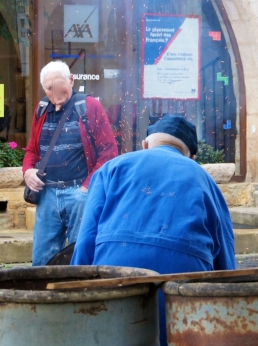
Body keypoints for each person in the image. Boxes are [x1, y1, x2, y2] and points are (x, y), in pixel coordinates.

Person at [71, 114, 236, 345]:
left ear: (146, 144)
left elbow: (86, 240)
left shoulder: (112, 168)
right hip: (183, 292)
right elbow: (226, 262)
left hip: (116, 280)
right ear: (192, 156)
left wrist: (73, 299)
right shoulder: (205, 180)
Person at [22, 61, 117, 266]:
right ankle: (44, 297)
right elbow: (32, 151)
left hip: (79, 194)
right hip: (47, 195)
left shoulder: (89, 106)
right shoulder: (41, 110)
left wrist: (86, 188)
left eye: (58, 84)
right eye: (49, 87)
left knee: (80, 258)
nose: (54, 91)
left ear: (71, 80)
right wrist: (28, 171)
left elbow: (108, 152)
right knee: (42, 260)